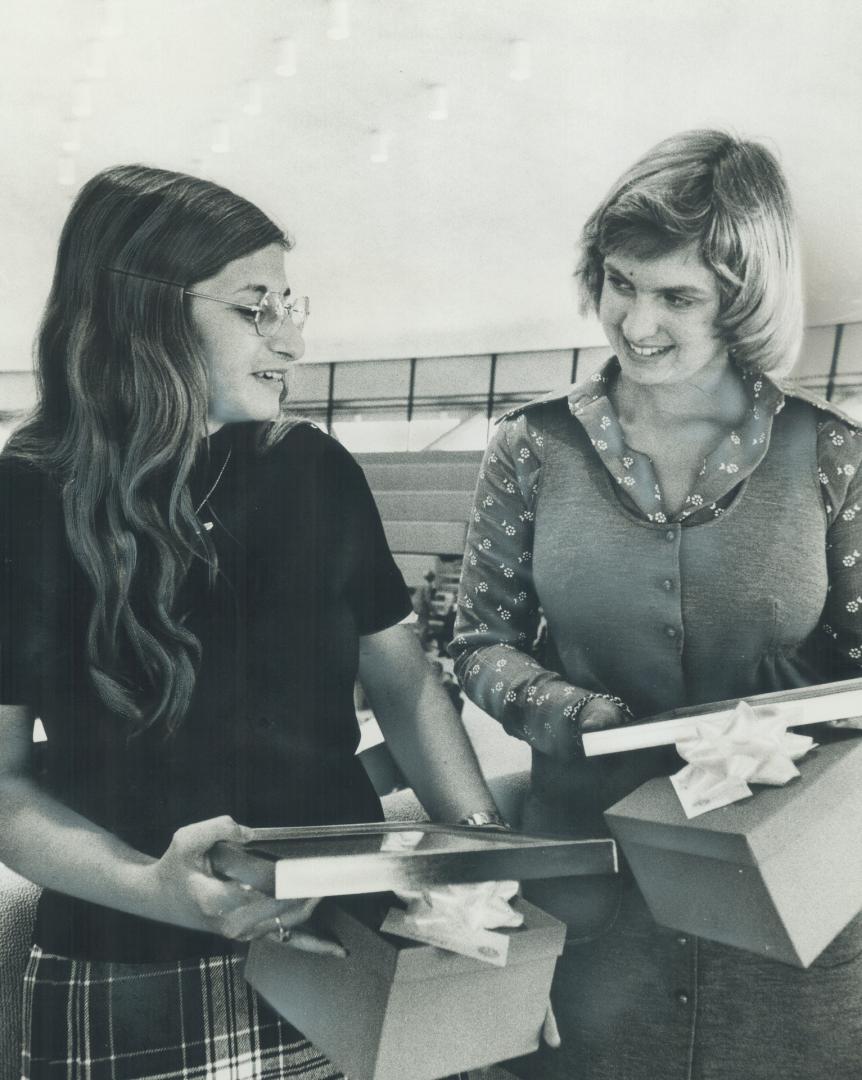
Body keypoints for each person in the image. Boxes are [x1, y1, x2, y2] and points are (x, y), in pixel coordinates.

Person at [0, 165, 504, 1079]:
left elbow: (405, 686)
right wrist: (154, 890)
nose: (294, 339)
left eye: (290, 305)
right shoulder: (24, 498)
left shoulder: (317, 471)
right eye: (253, 308)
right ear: (142, 313)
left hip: (347, 949)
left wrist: (486, 870)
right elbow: (1, 787)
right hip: (129, 973)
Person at [451, 130, 862, 1080]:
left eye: (677, 296)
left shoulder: (831, 450)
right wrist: (576, 716)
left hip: (785, 889)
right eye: (621, 283)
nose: (637, 323)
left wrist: (791, 716)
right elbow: (478, 639)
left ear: (743, 300)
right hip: (590, 886)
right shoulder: (531, 444)